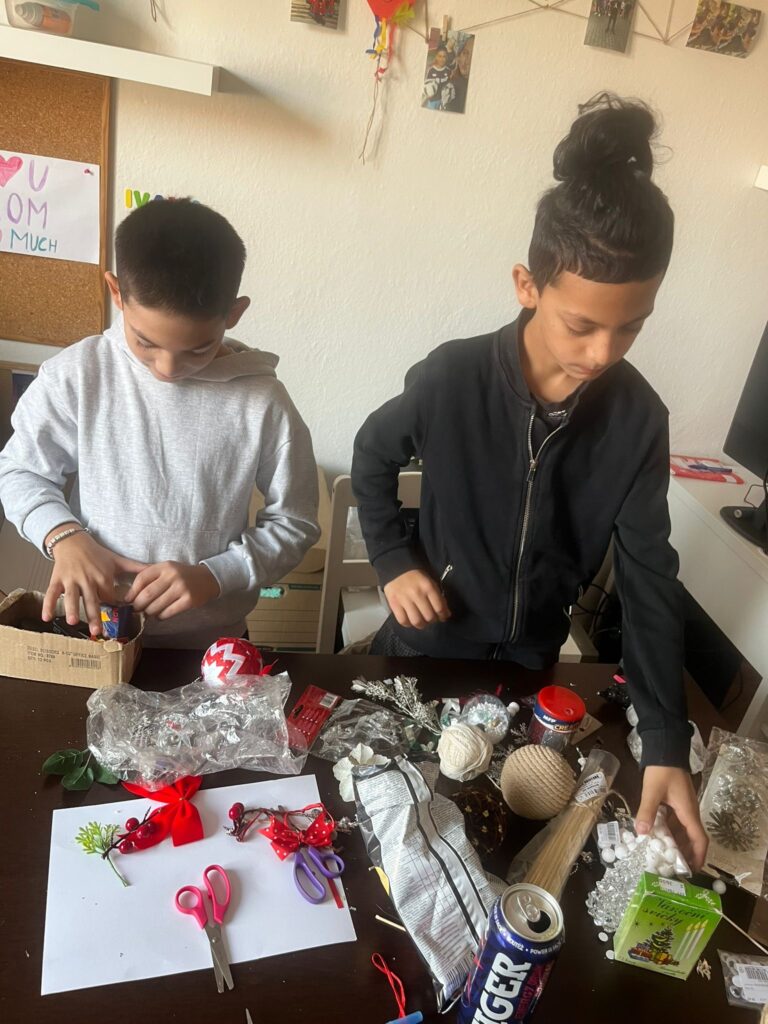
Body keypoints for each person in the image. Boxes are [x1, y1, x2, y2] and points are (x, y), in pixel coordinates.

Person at [351, 94, 709, 870]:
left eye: (632, 325)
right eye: (582, 324)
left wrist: (665, 740)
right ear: (527, 285)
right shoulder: (451, 378)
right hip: (425, 652)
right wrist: (394, 560)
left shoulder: (638, 420)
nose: (604, 352)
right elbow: (372, 456)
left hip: (530, 676)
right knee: (389, 838)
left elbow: (650, 580)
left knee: (503, 847)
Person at [0, 199, 320, 648]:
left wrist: (216, 575)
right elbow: (20, 471)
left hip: (209, 644)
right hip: (95, 633)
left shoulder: (264, 402)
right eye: (145, 342)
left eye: (198, 349)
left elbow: (295, 521)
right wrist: (64, 536)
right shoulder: (78, 375)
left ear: (234, 313)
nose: (167, 369)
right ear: (116, 293)